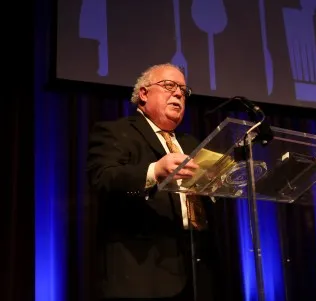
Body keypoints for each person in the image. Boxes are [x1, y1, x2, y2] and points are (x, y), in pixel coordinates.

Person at [87, 63, 218, 301]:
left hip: (196, 268)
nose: (179, 93)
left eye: (183, 90)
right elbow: (103, 178)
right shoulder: (116, 132)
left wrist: (217, 183)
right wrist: (154, 170)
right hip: (142, 272)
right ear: (144, 94)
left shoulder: (191, 144)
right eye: (169, 86)